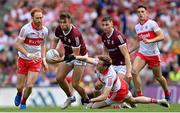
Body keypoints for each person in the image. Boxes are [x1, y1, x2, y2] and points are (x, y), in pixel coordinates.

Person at [66, 55, 170, 109]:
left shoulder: (109, 77)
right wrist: (75, 57)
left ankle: (119, 105)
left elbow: (105, 95)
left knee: (92, 107)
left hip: (118, 93)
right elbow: (87, 59)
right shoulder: (102, 64)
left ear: (105, 66)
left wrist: (90, 100)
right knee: (133, 100)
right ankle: (159, 101)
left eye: (99, 64)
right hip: (121, 85)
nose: (97, 65)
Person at [130, 5, 170, 100]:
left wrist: (150, 40)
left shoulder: (152, 23)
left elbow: (162, 36)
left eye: (142, 11)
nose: (141, 13)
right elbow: (138, 41)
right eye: (139, 12)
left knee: (158, 77)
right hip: (142, 54)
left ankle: (166, 92)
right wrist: (129, 51)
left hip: (153, 54)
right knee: (134, 72)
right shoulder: (137, 27)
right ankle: (140, 96)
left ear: (146, 13)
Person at [51, 12, 89, 109]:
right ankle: (70, 97)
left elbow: (75, 55)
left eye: (65, 22)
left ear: (70, 22)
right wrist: (52, 51)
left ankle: (86, 100)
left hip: (80, 57)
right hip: (68, 55)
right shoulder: (59, 29)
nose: (63, 24)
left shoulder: (75, 34)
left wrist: (59, 60)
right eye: (61, 22)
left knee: (75, 84)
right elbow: (55, 40)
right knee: (59, 78)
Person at [14, 7, 48, 110]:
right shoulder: (25, 29)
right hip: (23, 59)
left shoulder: (45, 30)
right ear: (32, 18)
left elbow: (43, 45)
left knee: (29, 85)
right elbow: (17, 44)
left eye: (41, 18)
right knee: (20, 86)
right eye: (37, 18)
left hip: (36, 60)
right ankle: (19, 93)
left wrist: (44, 59)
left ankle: (23, 103)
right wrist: (28, 54)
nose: (39, 20)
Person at [100, 16, 132, 82]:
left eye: (107, 25)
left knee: (117, 83)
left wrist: (128, 72)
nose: (104, 27)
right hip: (112, 64)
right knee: (98, 85)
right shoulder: (103, 35)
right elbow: (105, 52)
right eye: (103, 25)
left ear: (112, 24)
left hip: (122, 65)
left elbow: (126, 55)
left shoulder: (118, 37)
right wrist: (103, 66)